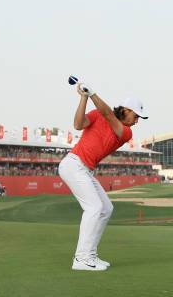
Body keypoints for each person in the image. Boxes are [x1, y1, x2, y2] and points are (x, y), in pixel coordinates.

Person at [58, 81, 147, 271]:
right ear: (126, 109)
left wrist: (92, 94)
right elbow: (78, 124)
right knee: (94, 207)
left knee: (106, 208)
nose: (137, 120)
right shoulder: (98, 114)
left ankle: (90, 254)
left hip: (84, 169)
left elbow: (108, 114)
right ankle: (81, 259)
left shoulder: (125, 132)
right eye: (136, 115)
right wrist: (84, 97)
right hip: (73, 164)